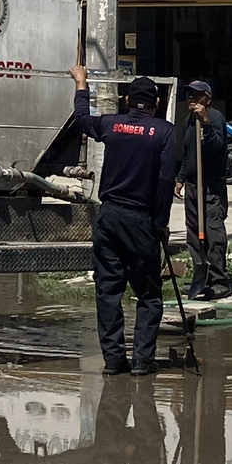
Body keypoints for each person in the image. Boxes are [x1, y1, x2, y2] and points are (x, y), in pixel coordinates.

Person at [71, 65, 179, 375]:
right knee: (148, 293)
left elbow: (82, 119)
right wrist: (161, 222)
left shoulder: (111, 125)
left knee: (108, 290)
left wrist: (81, 84)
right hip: (140, 219)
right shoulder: (165, 132)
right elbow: (165, 180)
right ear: (156, 103)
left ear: (128, 99)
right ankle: (142, 362)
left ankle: (114, 361)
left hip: (109, 216)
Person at [175, 78, 232, 302]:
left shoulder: (215, 119)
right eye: (190, 94)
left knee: (213, 232)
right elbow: (187, 153)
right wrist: (180, 178)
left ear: (207, 99)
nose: (192, 98)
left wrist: (206, 123)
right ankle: (203, 275)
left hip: (211, 186)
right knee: (193, 233)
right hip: (192, 185)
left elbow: (217, 149)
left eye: (197, 94)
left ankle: (219, 281)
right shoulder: (188, 121)